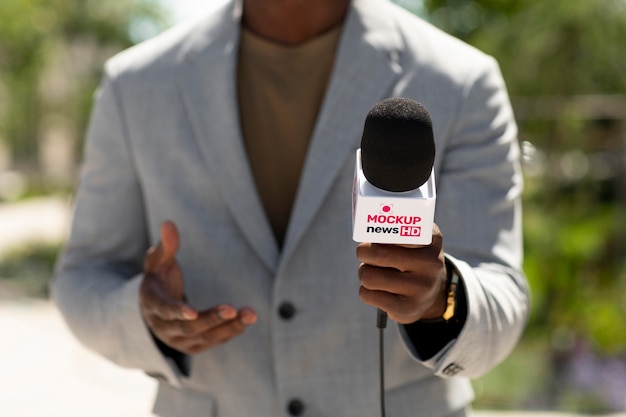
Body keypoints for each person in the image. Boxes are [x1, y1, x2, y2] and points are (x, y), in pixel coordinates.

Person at [52, 0, 530, 416]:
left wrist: (442, 297)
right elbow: (84, 277)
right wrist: (144, 315)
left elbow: (503, 293)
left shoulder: (461, 81)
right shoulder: (135, 85)